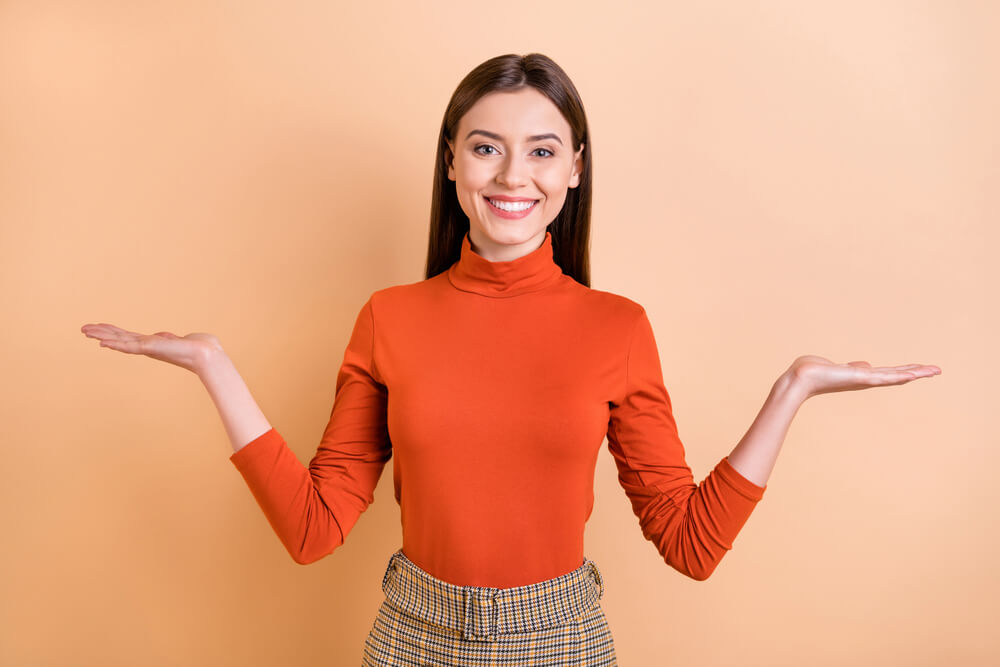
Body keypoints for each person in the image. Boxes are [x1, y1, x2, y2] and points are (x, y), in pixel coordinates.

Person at [80, 52, 941, 666]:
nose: (511, 174)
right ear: (452, 163)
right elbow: (314, 530)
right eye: (486, 145)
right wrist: (211, 365)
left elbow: (690, 542)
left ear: (572, 171)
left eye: (542, 149)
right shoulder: (389, 318)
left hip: (562, 643)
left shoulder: (617, 327)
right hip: (411, 639)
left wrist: (794, 389)